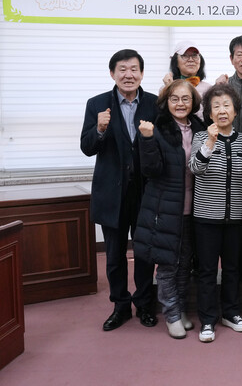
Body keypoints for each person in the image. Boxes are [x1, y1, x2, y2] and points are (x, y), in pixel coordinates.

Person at [80, 49, 159, 331]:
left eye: (134, 69)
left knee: (145, 253)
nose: (129, 75)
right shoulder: (97, 104)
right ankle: (120, 306)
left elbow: (161, 146)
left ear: (142, 73)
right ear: (112, 73)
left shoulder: (154, 103)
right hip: (112, 193)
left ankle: (145, 304)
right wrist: (100, 129)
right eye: (122, 69)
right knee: (114, 256)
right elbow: (87, 147)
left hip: (145, 192)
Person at [134, 79, 204, 339]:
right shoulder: (158, 128)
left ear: (194, 102)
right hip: (164, 209)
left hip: (193, 208)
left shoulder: (200, 128)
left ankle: (181, 308)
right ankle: (171, 314)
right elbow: (150, 170)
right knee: (167, 266)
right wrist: (147, 139)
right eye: (174, 99)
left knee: (185, 264)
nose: (180, 104)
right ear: (166, 102)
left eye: (185, 98)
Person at [189, 84, 242, 343]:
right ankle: (207, 320)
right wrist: (210, 143)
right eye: (216, 106)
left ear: (235, 111)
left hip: (236, 216)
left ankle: (231, 313)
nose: (222, 110)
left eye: (227, 105)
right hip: (206, 216)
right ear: (209, 113)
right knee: (207, 270)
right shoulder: (201, 137)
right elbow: (195, 168)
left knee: (232, 268)